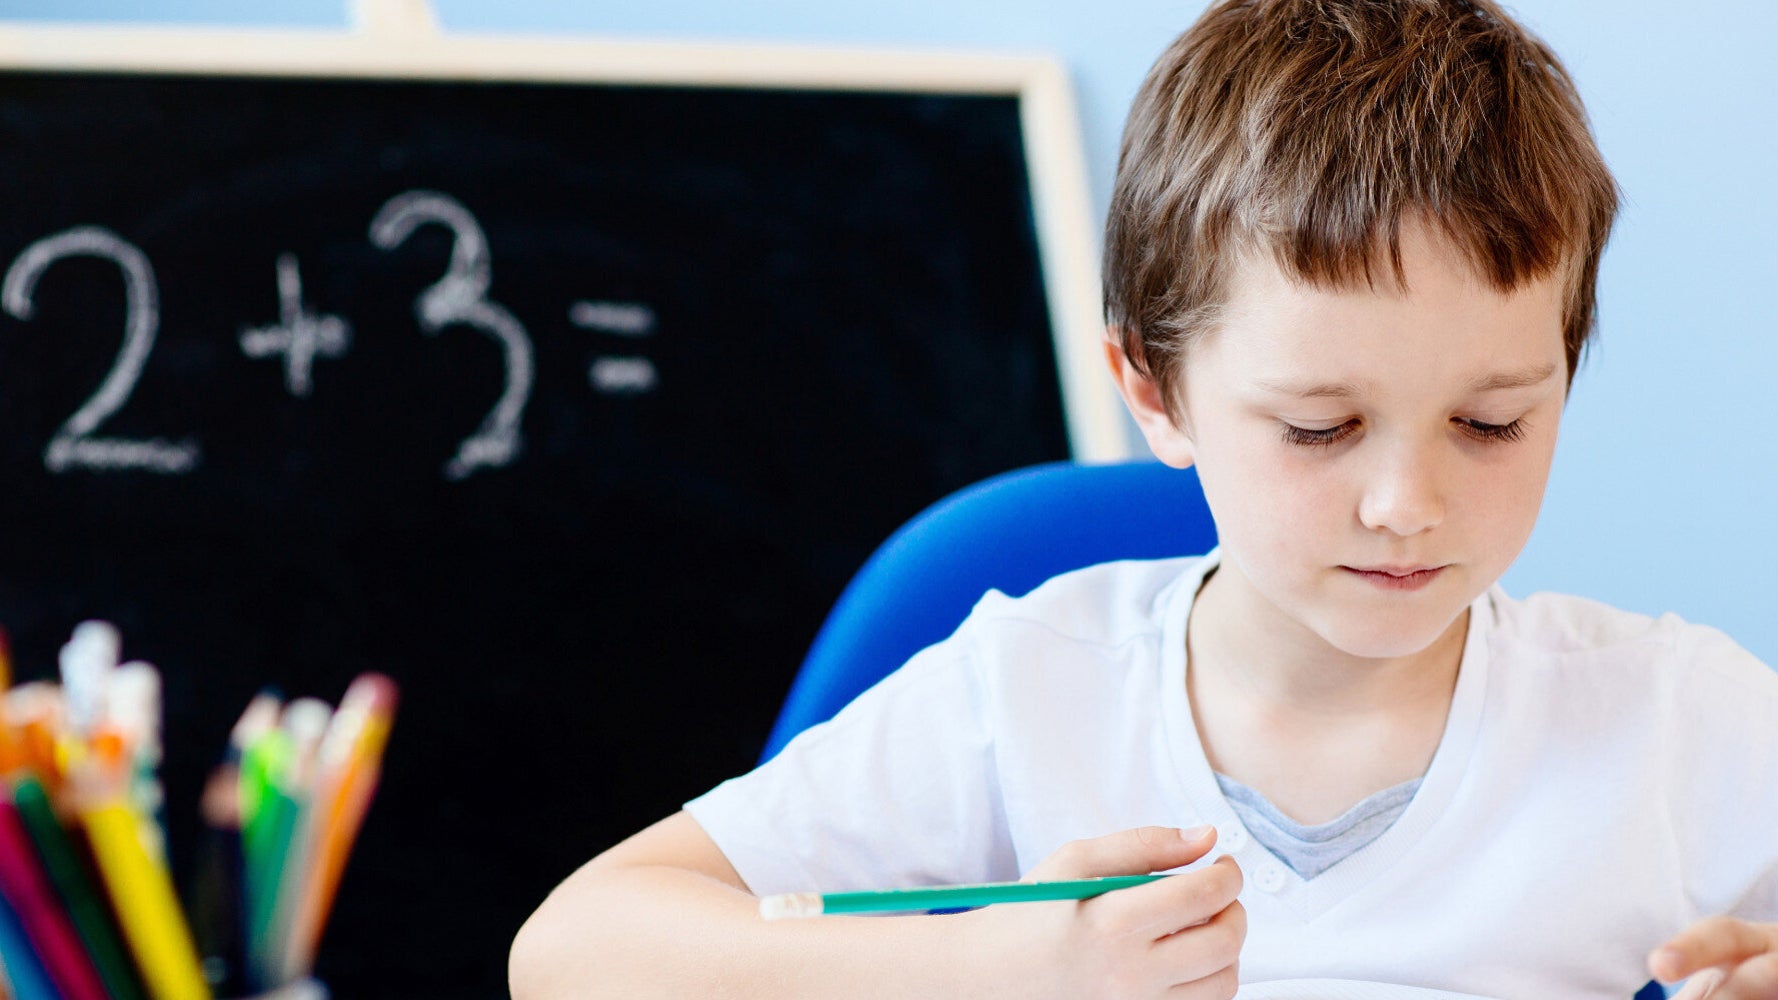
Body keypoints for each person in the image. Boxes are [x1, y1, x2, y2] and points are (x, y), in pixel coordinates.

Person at [509, 1, 1778, 996]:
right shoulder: (1025, 692)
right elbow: (573, 953)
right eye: (1320, 426)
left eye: (1490, 421)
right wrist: (982, 977)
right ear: (1154, 390)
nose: (1407, 501)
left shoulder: (1670, 718)